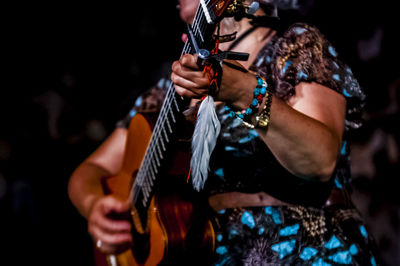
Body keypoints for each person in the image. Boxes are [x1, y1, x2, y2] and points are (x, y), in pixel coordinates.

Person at [68, 0, 379, 265]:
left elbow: (320, 161)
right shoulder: (167, 92)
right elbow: (89, 171)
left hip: (308, 253)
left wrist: (245, 93)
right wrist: (95, 204)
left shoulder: (297, 46)